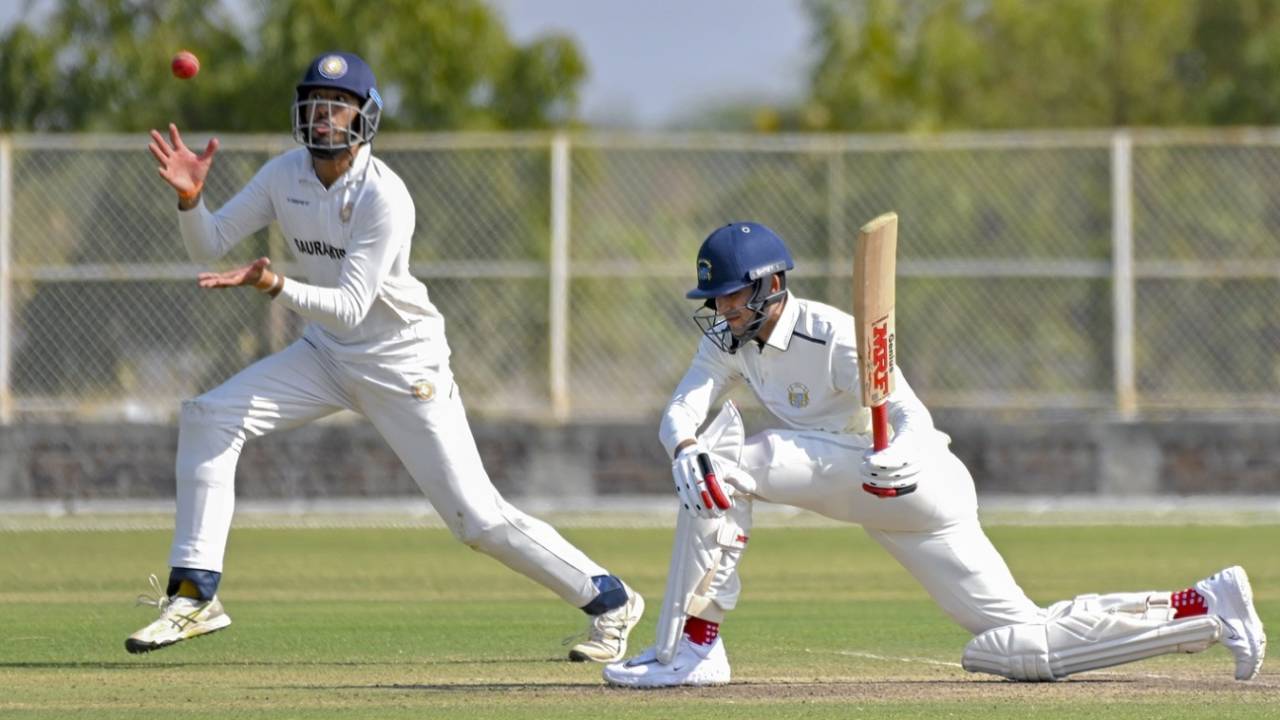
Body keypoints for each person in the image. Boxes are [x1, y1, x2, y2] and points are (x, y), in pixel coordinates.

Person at [128, 51, 643, 663]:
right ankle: (194, 596)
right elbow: (210, 245)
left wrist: (274, 287)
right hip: (326, 355)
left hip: (404, 364)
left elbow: (349, 305)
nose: (323, 115)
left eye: (338, 104)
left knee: (477, 522)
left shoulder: (384, 196)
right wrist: (191, 201)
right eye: (315, 102)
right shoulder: (282, 174)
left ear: (363, 116)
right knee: (210, 416)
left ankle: (611, 600)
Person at [602, 221, 1265, 687]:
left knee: (735, 461)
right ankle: (1201, 607)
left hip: (908, 481)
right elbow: (684, 406)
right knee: (1013, 647)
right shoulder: (728, 340)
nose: (720, 308)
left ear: (770, 285)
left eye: (731, 295)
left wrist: (907, 452)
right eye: (714, 298)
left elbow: (910, 412)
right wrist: (682, 443)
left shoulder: (834, 336)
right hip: (859, 486)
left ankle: (692, 647)